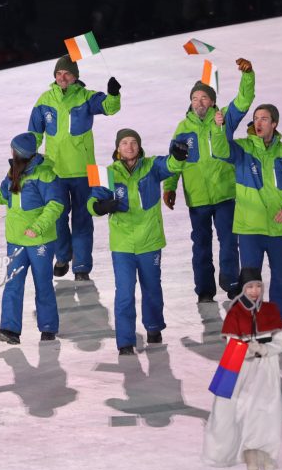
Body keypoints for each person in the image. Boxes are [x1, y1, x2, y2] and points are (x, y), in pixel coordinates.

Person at [88, 129, 188, 355]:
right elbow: (91, 201)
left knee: (152, 288)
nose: (129, 146)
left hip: (149, 241)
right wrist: (99, 207)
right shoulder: (105, 173)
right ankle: (125, 342)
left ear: (139, 146)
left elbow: (171, 166)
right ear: (117, 148)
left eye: (133, 142)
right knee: (124, 292)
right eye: (124, 143)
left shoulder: (152, 165)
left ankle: (154, 328)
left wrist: (179, 157)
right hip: (122, 245)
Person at [164, 58, 256, 301]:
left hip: (225, 193)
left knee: (228, 241)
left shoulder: (224, 118)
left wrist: (247, 75)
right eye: (195, 98)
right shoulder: (182, 128)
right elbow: (174, 160)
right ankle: (204, 290)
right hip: (198, 198)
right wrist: (170, 186)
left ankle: (231, 281)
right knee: (201, 245)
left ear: (212, 101)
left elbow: (244, 101)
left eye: (203, 98)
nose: (199, 102)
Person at [211, 104, 282, 332]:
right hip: (250, 228)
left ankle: (281, 325)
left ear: (274, 124)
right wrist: (218, 128)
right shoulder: (243, 149)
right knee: (250, 281)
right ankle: (251, 325)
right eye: (256, 118)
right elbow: (221, 151)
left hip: (278, 229)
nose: (259, 122)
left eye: (265, 118)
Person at [28, 54, 122, 282]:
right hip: (55, 171)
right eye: (59, 73)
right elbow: (34, 133)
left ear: (75, 77)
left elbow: (109, 108)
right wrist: (28, 156)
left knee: (82, 220)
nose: (62, 77)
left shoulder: (86, 97)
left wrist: (113, 94)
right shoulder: (44, 101)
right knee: (57, 218)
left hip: (83, 171)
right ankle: (62, 256)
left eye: (67, 74)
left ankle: (81, 266)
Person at [0, 132, 64, 344]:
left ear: (21, 153)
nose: (11, 152)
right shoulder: (14, 172)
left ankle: (48, 327)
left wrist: (37, 228)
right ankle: (10, 329)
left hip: (40, 242)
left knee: (43, 284)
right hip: (16, 241)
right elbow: (3, 195)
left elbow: (55, 205)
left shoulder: (45, 175)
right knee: (13, 284)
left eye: (13, 149)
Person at [202, 267, 282, 470]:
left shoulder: (271, 310)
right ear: (242, 289)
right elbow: (232, 343)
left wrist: (263, 348)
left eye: (258, 286)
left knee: (269, 422)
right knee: (250, 425)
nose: (254, 291)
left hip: (268, 373)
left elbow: (281, 341)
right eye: (250, 286)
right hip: (244, 374)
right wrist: (247, 350)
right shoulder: (235, 312)